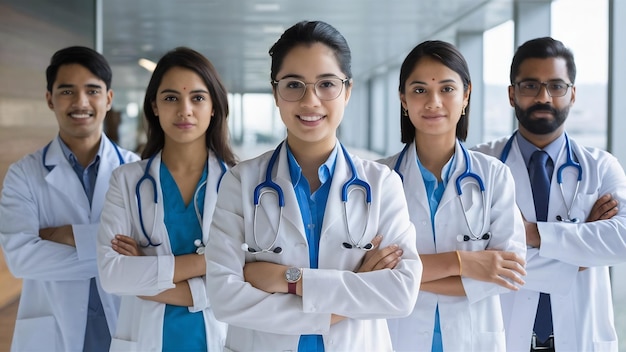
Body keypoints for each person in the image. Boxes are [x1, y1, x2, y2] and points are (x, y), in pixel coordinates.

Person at [204, 20, 422, 352]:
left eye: (326, 84)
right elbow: (224, 298)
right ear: (275, 92)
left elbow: (400, 294)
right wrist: (353, 291)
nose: (310, 101)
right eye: (293, 85)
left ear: (347, 91)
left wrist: (288, 281)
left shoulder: (382, 184)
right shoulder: (241, 182)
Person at [473, 37, 626, 352]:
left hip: (580, 340)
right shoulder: (480, 165)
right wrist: (582, 247)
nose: (544, 97)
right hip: (503, 338)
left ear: (572, 94)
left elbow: (621, 239)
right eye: (530, 85)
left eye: (556, 86)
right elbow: (477, 255)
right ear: (512, 94)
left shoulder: (601, 166)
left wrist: (529, 233)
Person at [378, 40, 527, 352]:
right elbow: (369, 272)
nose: (433, 102)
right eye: (419, 90)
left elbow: (507, 272)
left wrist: (407, 276)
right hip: (397, 338)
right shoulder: (378, 179)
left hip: (473, 339)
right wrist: (465, 262)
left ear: (466, 95)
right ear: (403, 98)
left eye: (447, 88)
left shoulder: (494, 176)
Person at [0, 46, 139, 352]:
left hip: (123, 328)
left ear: (109, 99)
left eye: (92, 90)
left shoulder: (136, 170)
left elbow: (149, 251)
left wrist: (68, 236)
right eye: (67, 91)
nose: (80, 102)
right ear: (50, 98)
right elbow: (22, 259)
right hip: (52, 335)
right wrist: (113, 253)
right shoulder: (23, 175)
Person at [96, 47, 235, 351]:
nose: (184, 109)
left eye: (197, 98)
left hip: (218, 338)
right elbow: (112, 276)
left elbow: (245, 282)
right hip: (144, 339)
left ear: (214, 106)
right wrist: (208, 263)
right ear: (155, 107)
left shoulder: (238, 183)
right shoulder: (127, 180)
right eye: (171, 98)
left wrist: (146, 279)